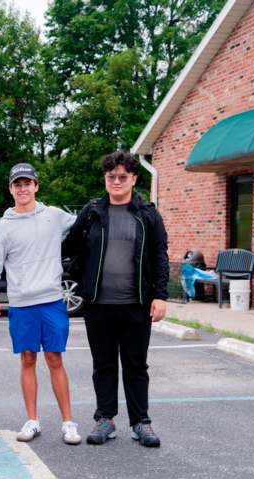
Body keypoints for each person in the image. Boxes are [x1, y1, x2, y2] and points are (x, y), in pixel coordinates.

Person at [62, 150, 169, 448]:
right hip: (98, 304)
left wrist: (160, 295)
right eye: (112, 177)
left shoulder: (147, 214)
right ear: (105, 179)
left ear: (134, 178)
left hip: (136, 304)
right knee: (104, 364)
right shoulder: (93, 212)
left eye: (123, 177)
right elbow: (70, 247)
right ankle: (105, 419)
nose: (117, 181)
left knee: (136, 365)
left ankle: (141, 422)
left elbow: (160, 256)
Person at [0, 163, 82, 446]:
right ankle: (32, 420)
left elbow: (88, 224)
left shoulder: (54, 216)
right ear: (11, 189)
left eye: (28, 183)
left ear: (36, 185)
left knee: (55, 359)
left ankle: (68, 422)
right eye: (17, 184)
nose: (23, 188)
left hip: (51, 301)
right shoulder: (3, 227)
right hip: (21, 304)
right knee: (27, 359)